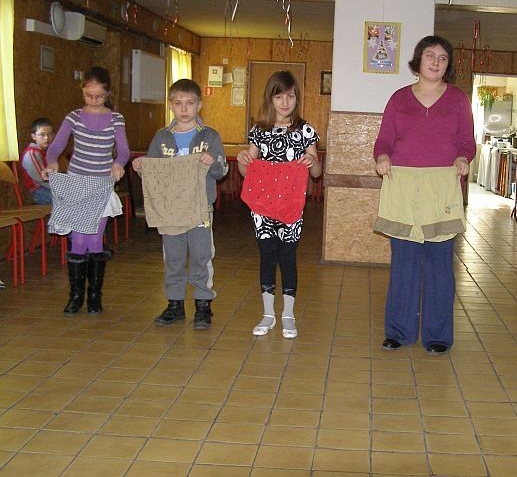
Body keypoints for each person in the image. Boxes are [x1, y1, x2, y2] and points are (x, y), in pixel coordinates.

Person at [373, 35, 476, 355]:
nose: (435, 62)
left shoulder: (458, 99)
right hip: (403, 189)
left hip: (440, 189)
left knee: (439, 264)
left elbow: (467, 142)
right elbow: (383, 141)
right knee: (404, 262)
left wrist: (463, 158)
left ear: (448, 65)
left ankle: (438, 335)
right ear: (418, 61)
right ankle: (399, 332)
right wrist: (382, 158)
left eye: (443, 58)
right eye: (430, 55)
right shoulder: (399, 99)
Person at [132, 79, 227, 330]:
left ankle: (203, 305)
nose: (184, 109)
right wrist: (142, 168)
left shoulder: (209, 136)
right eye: (178, 103)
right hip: (170, 210)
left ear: (199, 105)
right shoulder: (162, 137)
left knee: (201, 256)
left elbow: (221, 170)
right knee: (172, 257)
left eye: (190, 103)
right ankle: (174, 304)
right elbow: (154, 174)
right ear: (171, 105)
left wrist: (212, 162)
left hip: (199, 208)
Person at [237, 71, 321, 339]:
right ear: (270, 98)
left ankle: (288, 315)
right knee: (266, 256)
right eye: (279, 96)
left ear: (297, 98)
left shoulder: (305, 130)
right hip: (262, 207)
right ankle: (267, 313)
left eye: (291, 96)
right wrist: (242, 159)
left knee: (287, 257)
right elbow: (245, 170)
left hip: (291, 206)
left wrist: (312, 162)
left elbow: (317, 173)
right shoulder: (258, 130)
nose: (285, 102)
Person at [45, 66, 130, 315]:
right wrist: (52, 161)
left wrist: (117, 165)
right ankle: (75, 295)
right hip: (76, 184)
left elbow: (123, 151)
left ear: (108, 93)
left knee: (94, 238)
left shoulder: (116, 118)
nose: (93, 101)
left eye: (98, 97)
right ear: (82, 92)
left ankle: (94, 295)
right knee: (78, 239)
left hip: (101, 185)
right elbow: (57, 145)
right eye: (88, 96)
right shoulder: (74, 117)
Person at [20, 118, 54, 204]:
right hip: (40, 191)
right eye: (42, 134)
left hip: (49, 188)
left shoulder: (45, 152)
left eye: (50, 134)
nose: (47, 138)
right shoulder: (32, 154)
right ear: (34, 136)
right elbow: (42, 179)